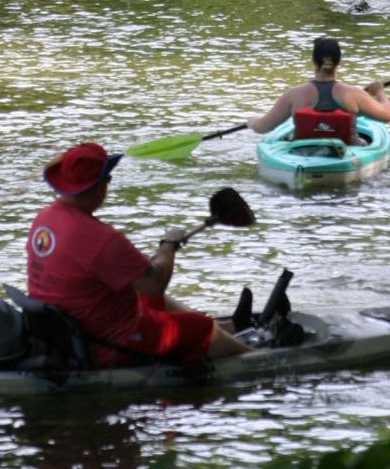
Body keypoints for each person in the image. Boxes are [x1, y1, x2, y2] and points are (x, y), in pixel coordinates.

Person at [26, 142, 248, 365]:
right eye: (108, 180)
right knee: (201, 328)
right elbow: (156, 283)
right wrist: (169, 244)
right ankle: (250, 355)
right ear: (98, 186)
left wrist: (161, 254)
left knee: (145, 295)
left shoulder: (44, 218)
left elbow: (138, 277)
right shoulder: (100, 238)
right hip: (107, 343)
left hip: (69, 331)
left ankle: (228, 327)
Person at [247, 37, 390, 140]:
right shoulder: (354, 94)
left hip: (303, 154)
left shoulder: (294, 95)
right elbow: (387, 116)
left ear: (313, 60)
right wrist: (380, 92)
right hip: (344, 154)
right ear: (339, 61)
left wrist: (252, 122)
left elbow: (263, 127)